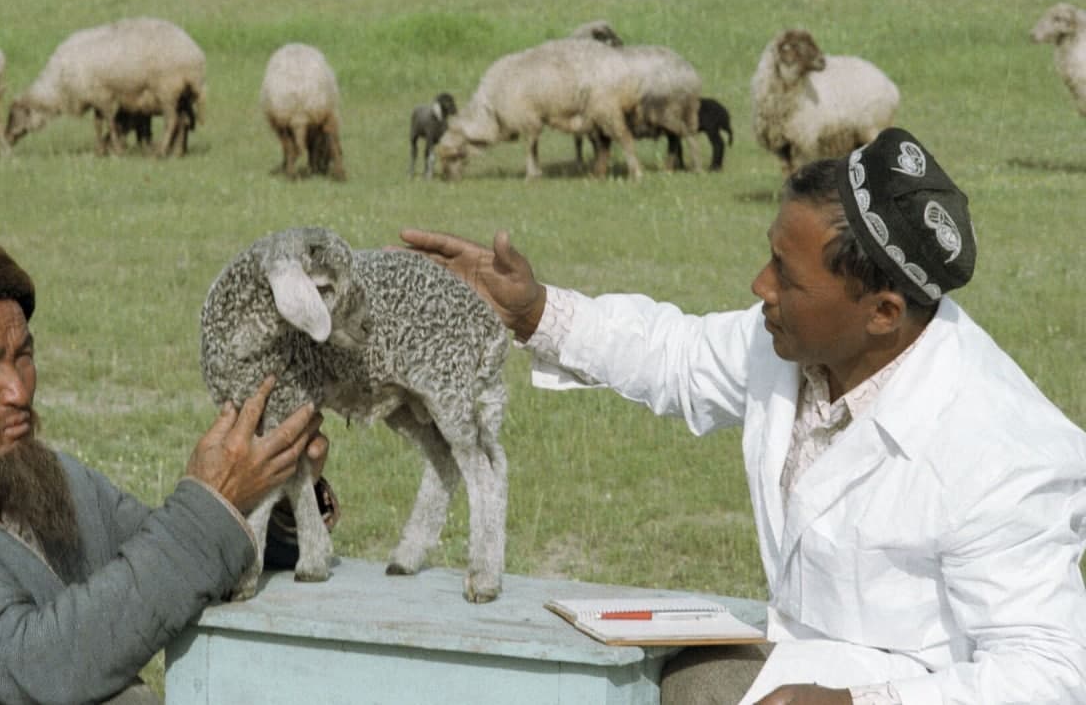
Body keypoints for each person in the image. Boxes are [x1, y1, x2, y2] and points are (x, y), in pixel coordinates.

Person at [402, 127, 1086, 705]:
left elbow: (1051, 674)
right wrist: (535, 312)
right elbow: (675, 355)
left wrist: (862, 704)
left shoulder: (1000, 451)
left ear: (882, 312)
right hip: (798, 673)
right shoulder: (796, 345)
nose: (760, 286)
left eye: (786, 277)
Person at [0, 234, 337, 704]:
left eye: (23, 355)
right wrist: (209, 503)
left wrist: (270, 494)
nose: (18, 390)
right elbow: (41, 669)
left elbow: (166, 560)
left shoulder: (30, 473)